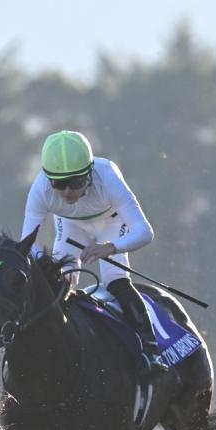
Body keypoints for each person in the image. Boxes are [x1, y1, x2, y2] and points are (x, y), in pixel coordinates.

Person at [22, 130, 168, 377]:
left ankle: (151, 352)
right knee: (58, 286)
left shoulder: (108, 176)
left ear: (89, 173)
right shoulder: (40, 189)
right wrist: (46, 266)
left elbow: (145, 231)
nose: (68, 192)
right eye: (58, 183)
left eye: (76, 182)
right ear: (48, 179)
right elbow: (27, 245)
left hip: (112, 226)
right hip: (71, 228)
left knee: (115, 282)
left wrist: (111, 247)